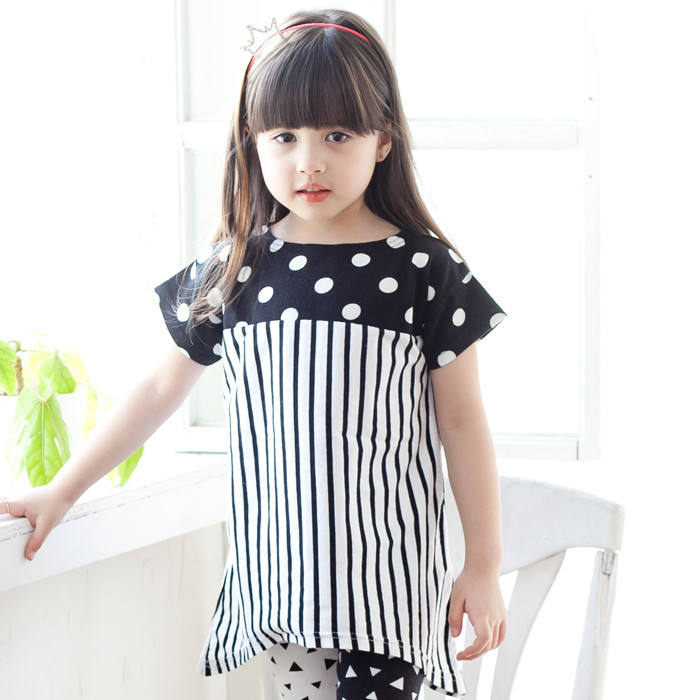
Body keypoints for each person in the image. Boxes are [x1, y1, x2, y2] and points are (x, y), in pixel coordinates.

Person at [1, 8, 509, 699]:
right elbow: (159, 390)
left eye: (337, 135)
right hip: (283, 584)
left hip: (389, 588)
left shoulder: (424, 271)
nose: (310, 161)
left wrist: (482, 564)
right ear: (252, 139)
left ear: (384, 139)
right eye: (285, 136)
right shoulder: (236, 268)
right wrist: (61, 490)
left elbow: (463, 423)